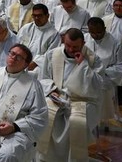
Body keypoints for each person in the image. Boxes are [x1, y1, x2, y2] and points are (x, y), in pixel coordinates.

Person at [37, 28, 103, 162]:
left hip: (83, 99)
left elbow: (97, 86)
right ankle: (47, 158)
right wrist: (52, 90)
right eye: (68, 45)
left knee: (77, 120)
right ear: (63, 41)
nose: (71, 50)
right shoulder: (52, 55)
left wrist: (83, 65)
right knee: (45, 113)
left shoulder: (92, 58)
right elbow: (43, 78)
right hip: (56, 96)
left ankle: (72, 158)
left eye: (75, 46)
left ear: (83, 43)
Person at [0, 44, 48, 162]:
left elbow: (39, 117)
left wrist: (14, 126)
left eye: (19, 57)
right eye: (12, 53)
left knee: (6, 155)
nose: (13, 58)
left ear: (26, 64)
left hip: (15, 131)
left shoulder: (33, 85)